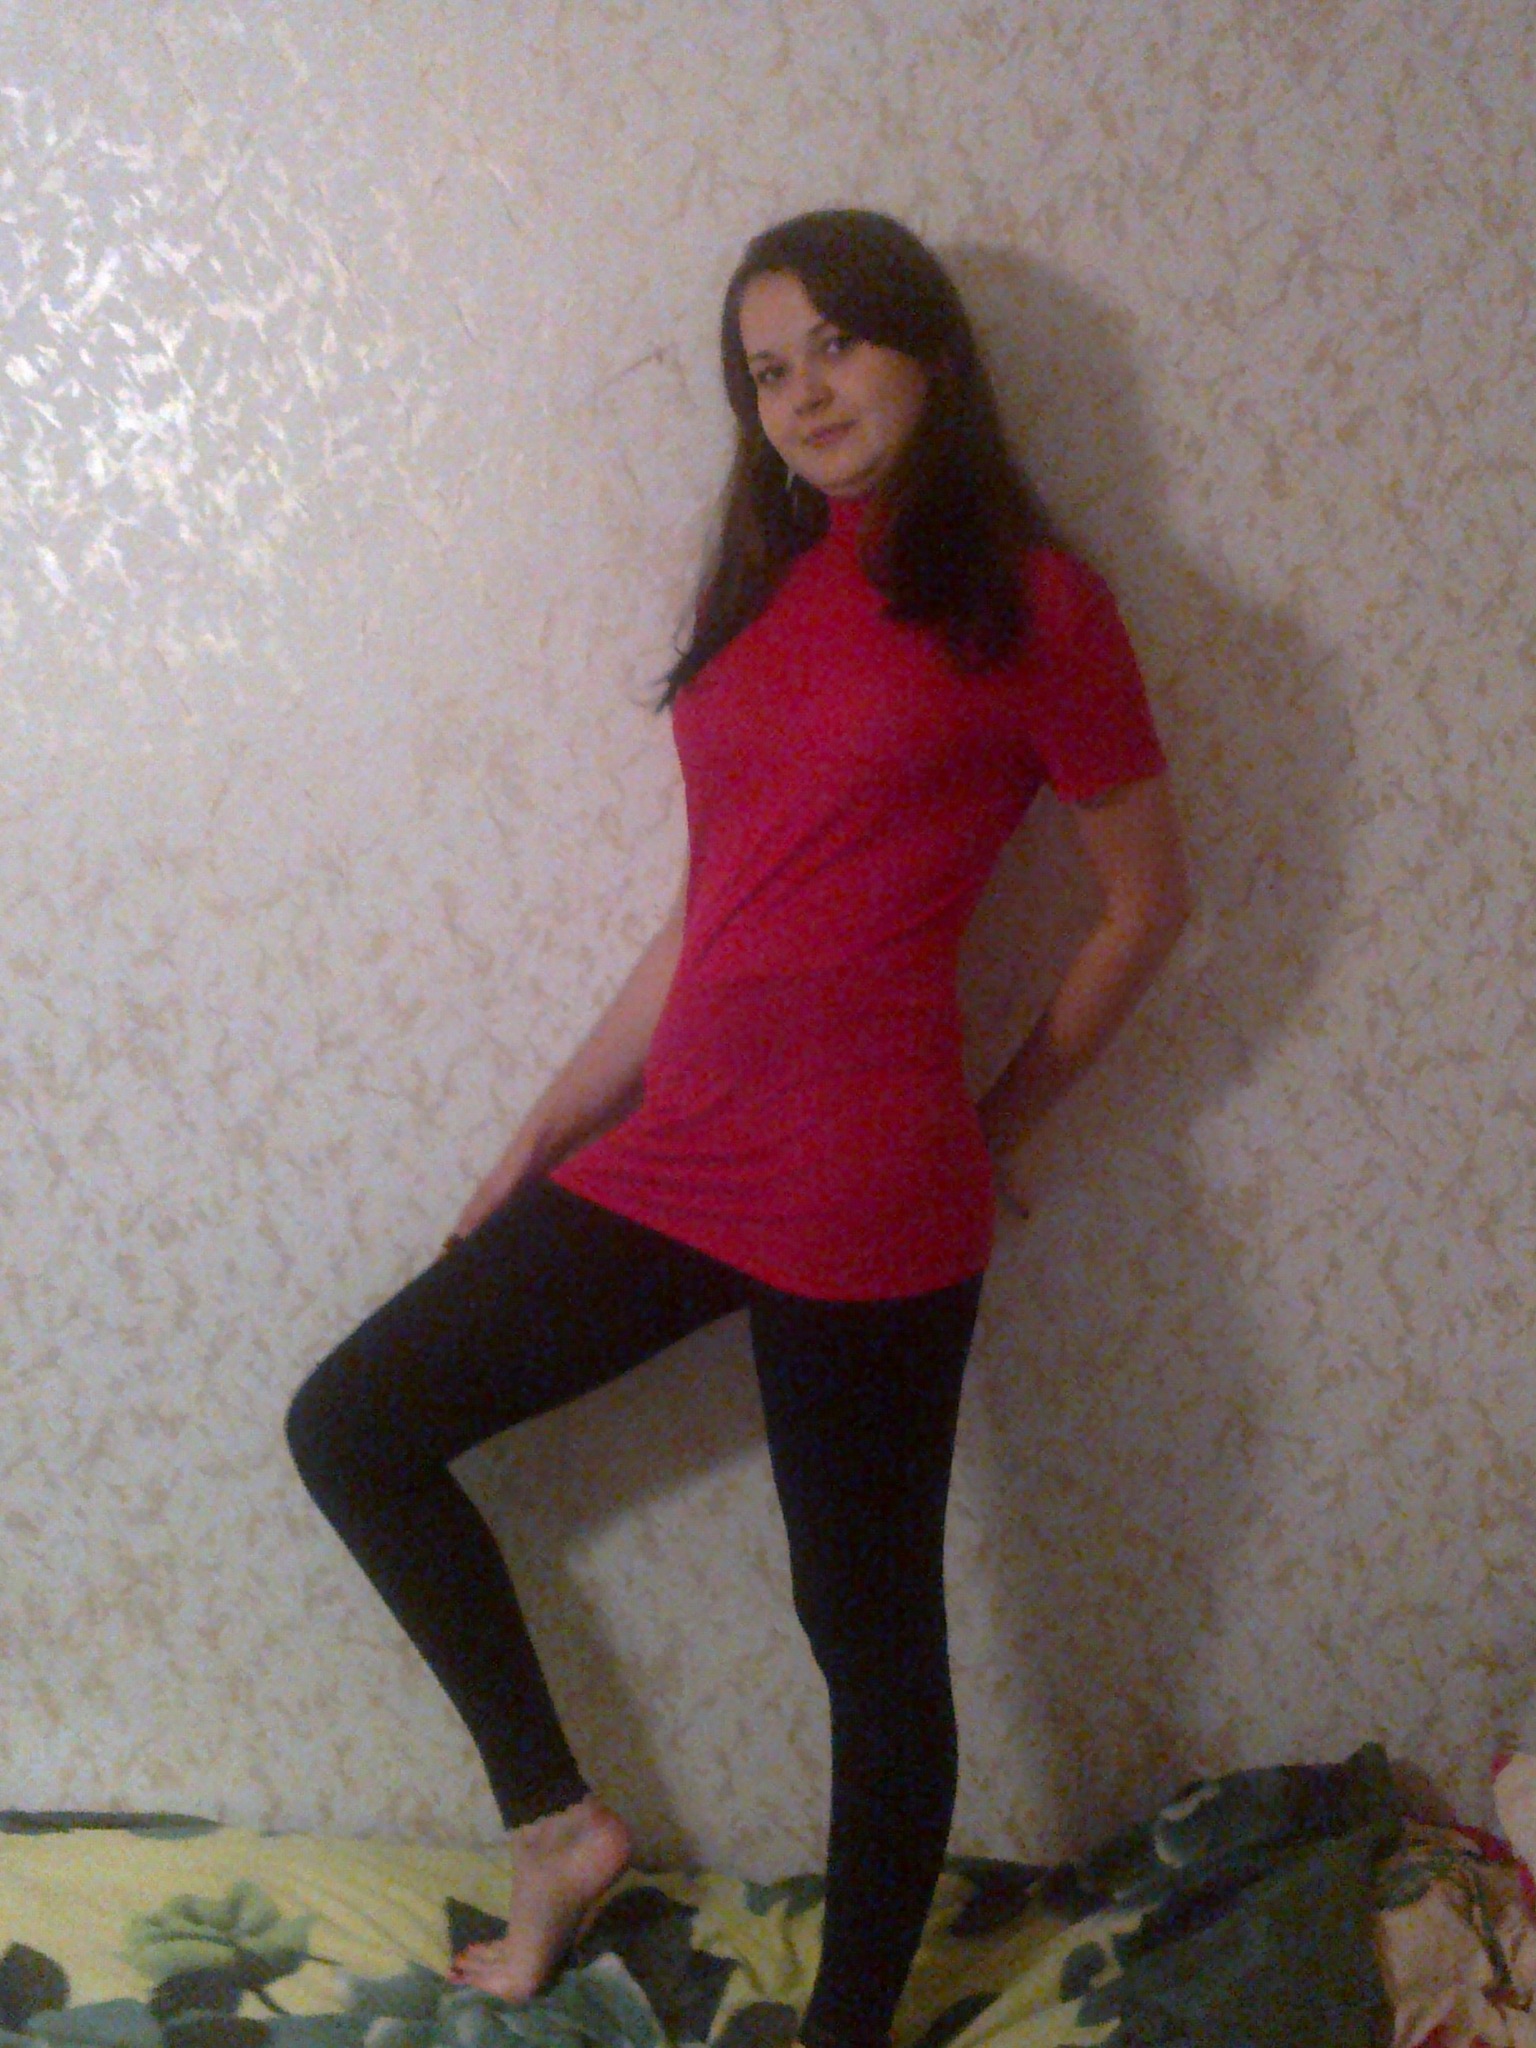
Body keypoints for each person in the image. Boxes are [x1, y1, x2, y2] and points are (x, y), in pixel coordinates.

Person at [286, 208, 1190, 2048]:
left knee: (864, 1631)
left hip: (868, 1182)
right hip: (687, 1149)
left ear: (932, 350)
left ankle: (845, 2027)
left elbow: (1146, 903)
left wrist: (997, 1124)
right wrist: (551, 1123)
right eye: (768, 372)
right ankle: (559, 1829)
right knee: (355, 1424)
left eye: (838, 345)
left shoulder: (1035, 603)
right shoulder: (765, 592)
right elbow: (715, 908)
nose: (805, 395)